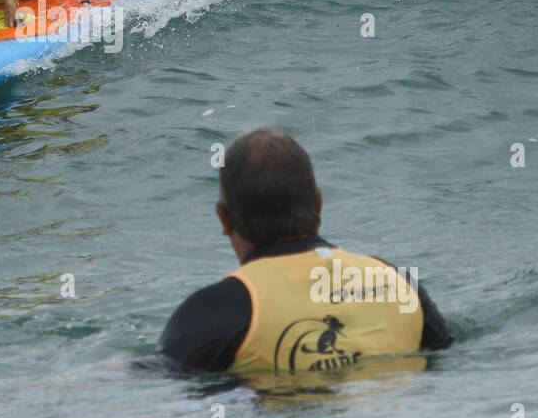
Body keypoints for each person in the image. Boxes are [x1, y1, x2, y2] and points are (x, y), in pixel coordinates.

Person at [155, 127, 452, 376]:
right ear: (319, 205)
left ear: (224, 218)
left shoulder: (218, 309)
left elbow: (154, 386)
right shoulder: (398, 282)